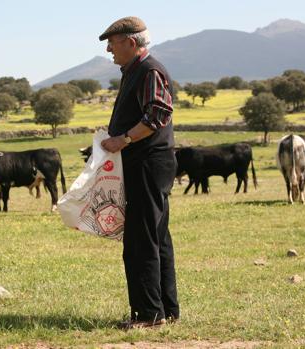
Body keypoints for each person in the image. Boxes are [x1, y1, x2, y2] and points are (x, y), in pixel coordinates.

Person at [99, 16, 179, 329]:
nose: (109, 49)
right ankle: (166, 311)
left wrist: (125, 138)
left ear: (131, 43)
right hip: (147, 164)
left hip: (147, 163)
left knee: (140, 241)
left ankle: (148, 316)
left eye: (113, 42)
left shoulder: (149, 70)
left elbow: (159, 112)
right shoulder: (135, 70)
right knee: (156, 238)